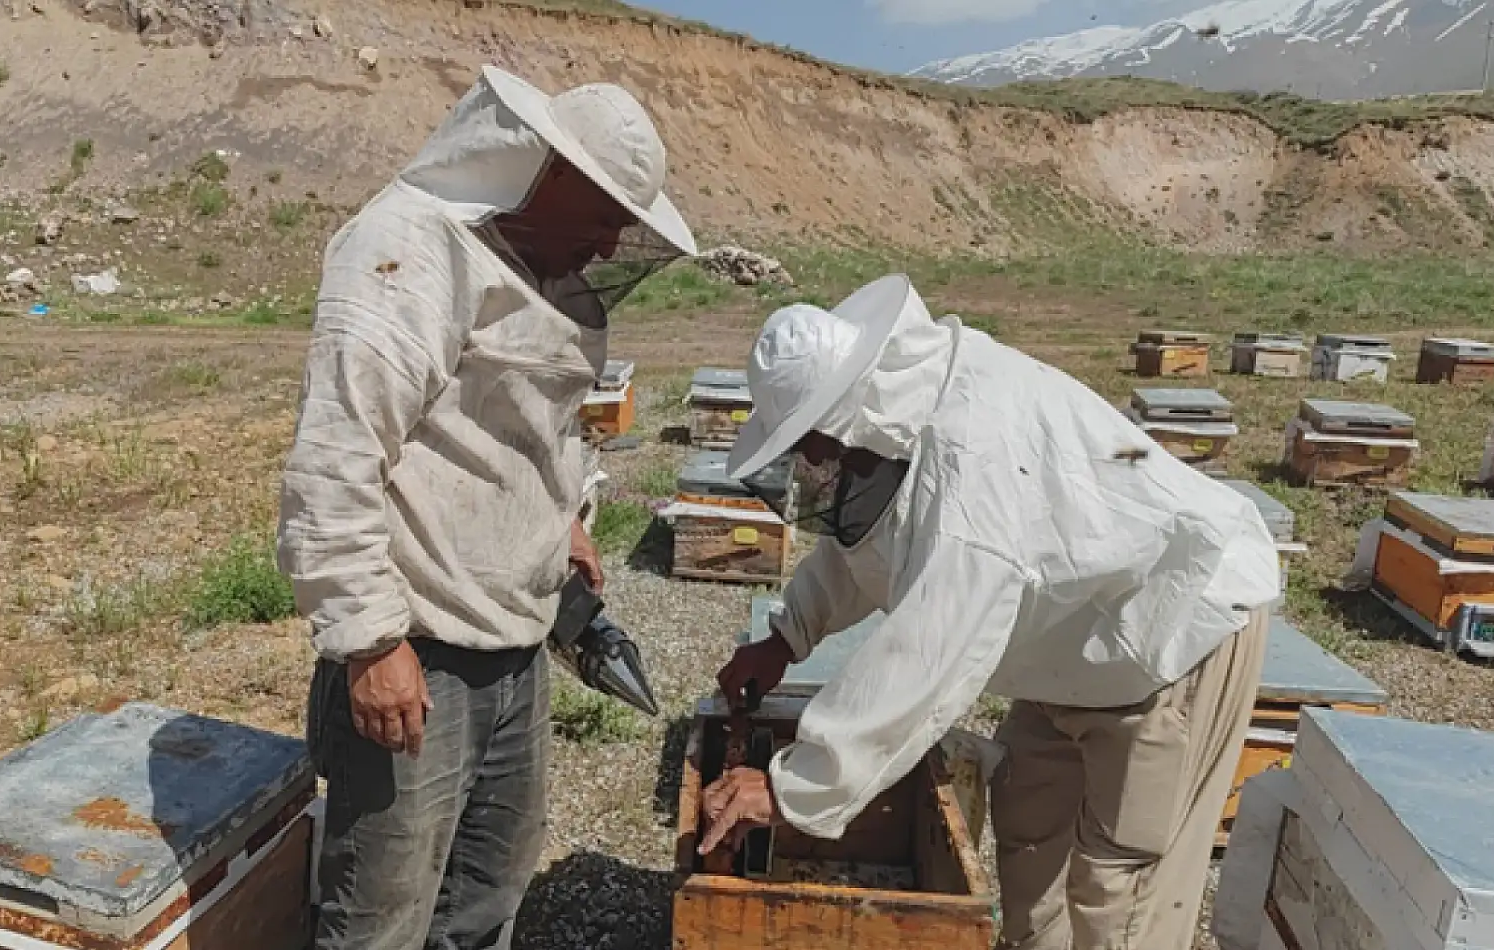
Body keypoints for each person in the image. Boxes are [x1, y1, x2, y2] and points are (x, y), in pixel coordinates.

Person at [700, 273, 1281, 950]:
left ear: (847, 423)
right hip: (1071, 637)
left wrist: (791, 786)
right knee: (1030, 832)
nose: (809, 468)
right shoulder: (897, 423)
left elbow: (928, 658)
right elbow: (877, 541)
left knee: (1116, 898)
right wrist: (787, 635)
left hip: (1172, 635)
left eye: (812, 450)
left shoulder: (973, 475)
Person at [276, 64, 695, 950]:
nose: (614, 246)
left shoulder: (533, 270)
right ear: (552, 174)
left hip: (516, 646)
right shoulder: (409, 250)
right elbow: (335, 458)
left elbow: (513, 430)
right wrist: (369, 642)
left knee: (488, 891)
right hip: (416, 654)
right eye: (607, 215)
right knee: (380, 915)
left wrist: (563, 520)